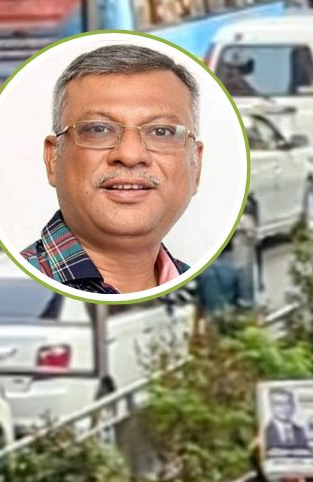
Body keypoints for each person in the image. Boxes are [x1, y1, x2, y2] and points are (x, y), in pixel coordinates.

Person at [20, 44, 200, 294]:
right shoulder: (14, 288)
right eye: (98, 130)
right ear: (53, 159)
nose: (129, 155)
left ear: (196, 164)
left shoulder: (201, 290)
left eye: (161, 132)